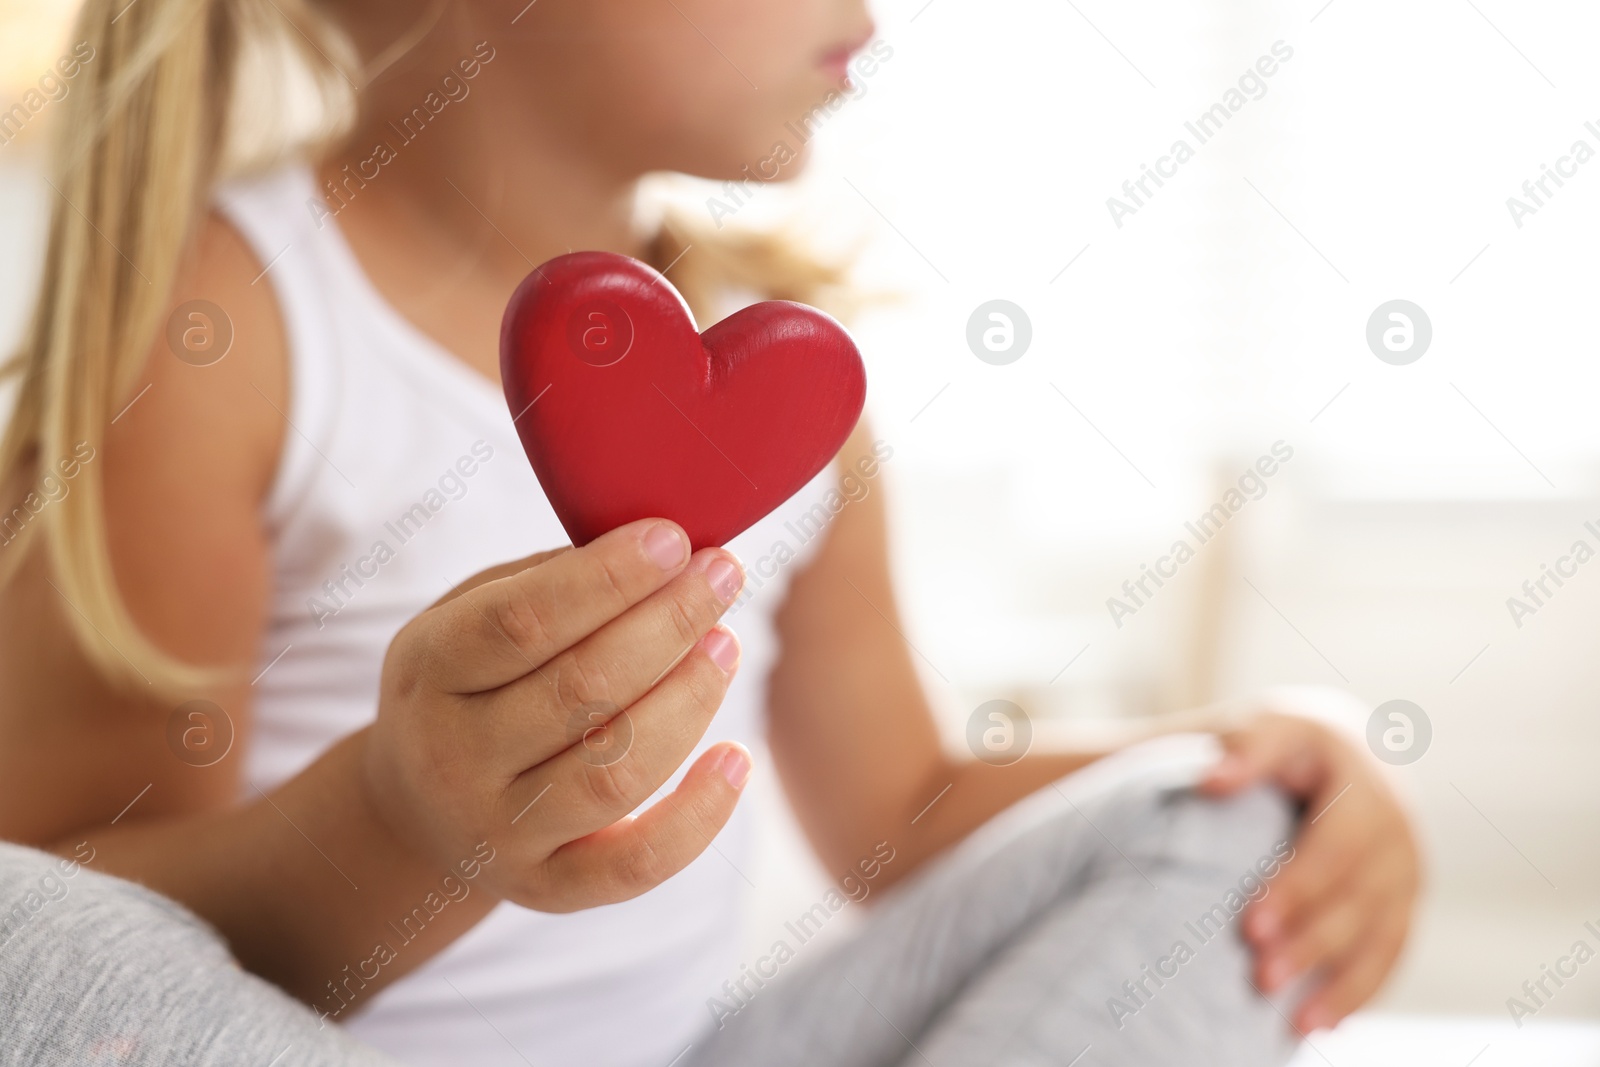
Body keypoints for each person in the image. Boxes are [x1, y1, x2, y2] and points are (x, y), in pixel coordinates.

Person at [0, 0, 1419, 1064]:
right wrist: (402, 826)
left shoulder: (783, 383)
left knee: (1225, 822)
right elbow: (77, 914)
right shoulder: (222, 326)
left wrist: (1264, 737)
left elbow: (899, 816)